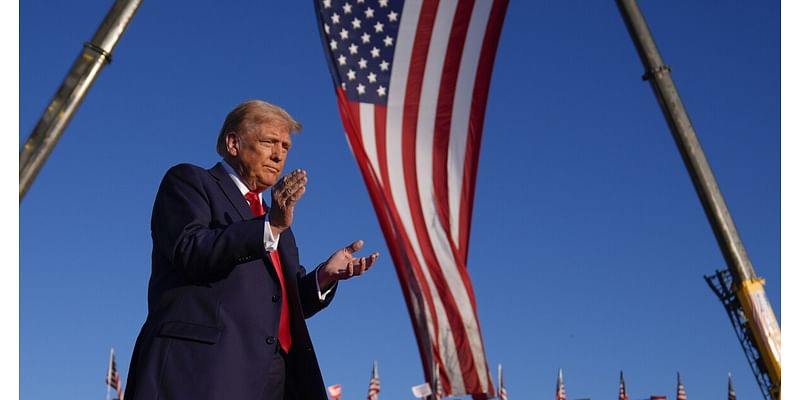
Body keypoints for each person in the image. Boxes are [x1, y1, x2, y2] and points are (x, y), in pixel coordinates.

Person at [125, 100, 379, 400]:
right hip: (201, 372)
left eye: (285, 147)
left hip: (274, 379)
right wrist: (269, 227)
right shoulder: (190, 182)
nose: (278, 155)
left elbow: (280, 301)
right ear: (233, 143)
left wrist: (324, 276)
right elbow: (191, 250)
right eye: (269, 142)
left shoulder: (276, 220)